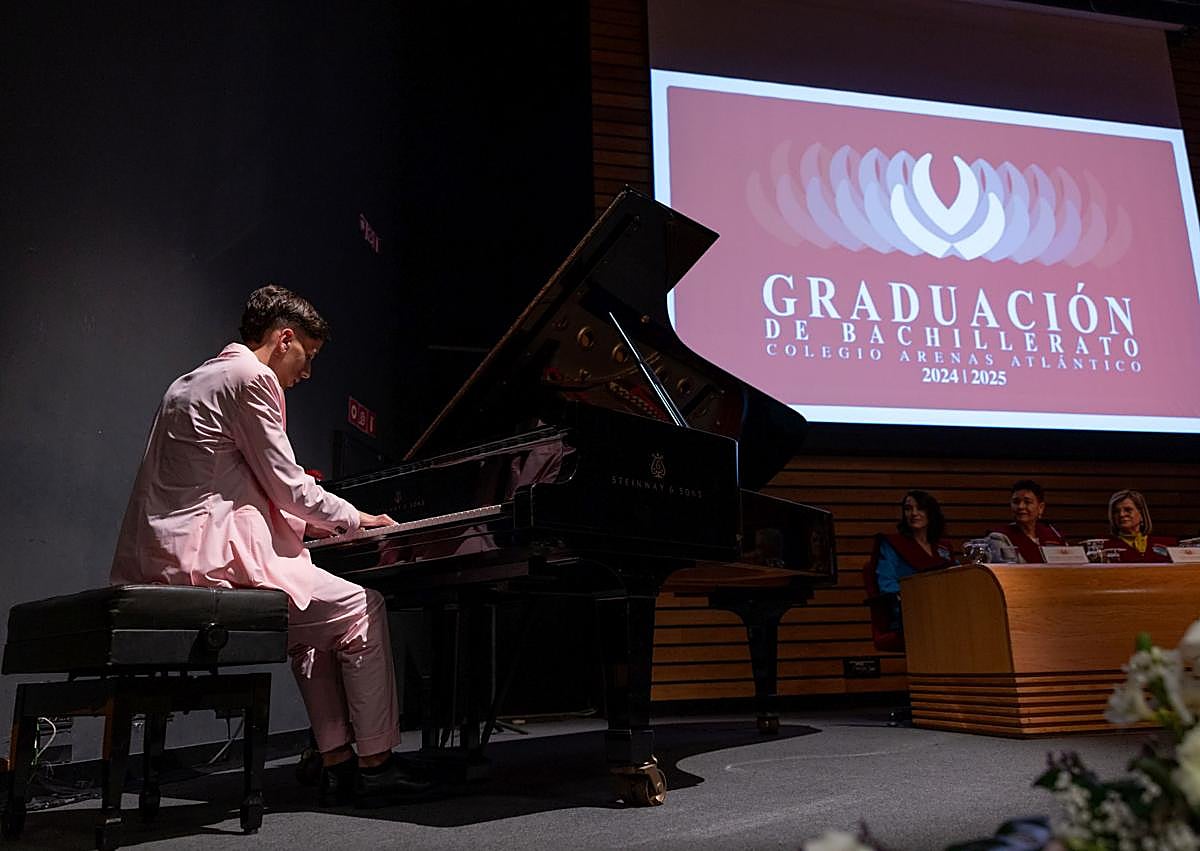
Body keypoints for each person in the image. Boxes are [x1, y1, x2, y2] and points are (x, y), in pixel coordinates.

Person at [111, 285, 433, 807]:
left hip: (160, 560)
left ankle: (336, 762)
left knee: (314, 627)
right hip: (211, 565)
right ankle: (376, 765)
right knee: (361, 609)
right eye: (309, 355)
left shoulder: (188, 382)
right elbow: (286, 484)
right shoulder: (252, 378)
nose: (307, 373)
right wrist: (354, 519)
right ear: (284, 339)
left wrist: (313, 527)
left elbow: (234, 485)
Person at [866, 490, 956, 633]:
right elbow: (887, 583)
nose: (914, 513)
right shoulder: (892, 544)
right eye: (908, 509)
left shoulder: (943, 547)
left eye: (920, 508)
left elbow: (955, 579)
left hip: (943, 607)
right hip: (909, 610)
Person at [989, 479, 1066, 563]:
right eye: (1016, 502)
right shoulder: (999, 537)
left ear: (1040, 508)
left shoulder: (1053, 534)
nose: (1021, 506)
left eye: (1027, 502)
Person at [1101, 489, 1177, 563]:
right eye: (1116, 511)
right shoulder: (1104, 548)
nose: (1122, 514)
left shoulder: (1167, 545)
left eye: (1128, 510)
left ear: (1141, 514)